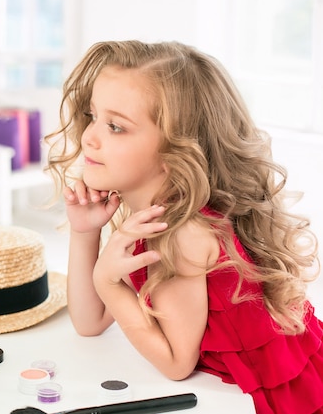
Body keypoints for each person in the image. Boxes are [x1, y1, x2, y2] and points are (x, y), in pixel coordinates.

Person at [45, 40, 323, 414]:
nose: (89, 136)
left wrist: (107, 281)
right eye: (93, 115)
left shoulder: (182, 234)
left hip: (281, 399)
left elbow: (176, 363)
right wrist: (85, 232)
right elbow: (90, 322)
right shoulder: (151, 213)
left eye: (115, 126)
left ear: (176, 151)